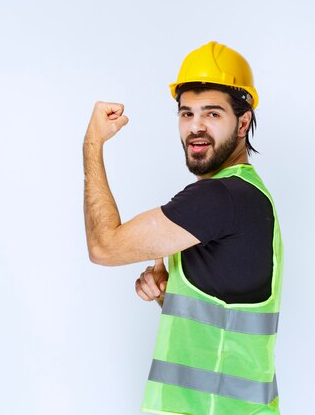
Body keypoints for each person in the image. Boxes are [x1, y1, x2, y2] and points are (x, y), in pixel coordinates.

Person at [83, 41, 284, 415]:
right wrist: (170, 294)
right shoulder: (246, 196)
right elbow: (225, 321)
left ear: (243, 122)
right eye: (186, 113)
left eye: (212, 114)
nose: (196, 127)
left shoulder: (221, 197)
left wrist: (92, 143)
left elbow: (104, 247)